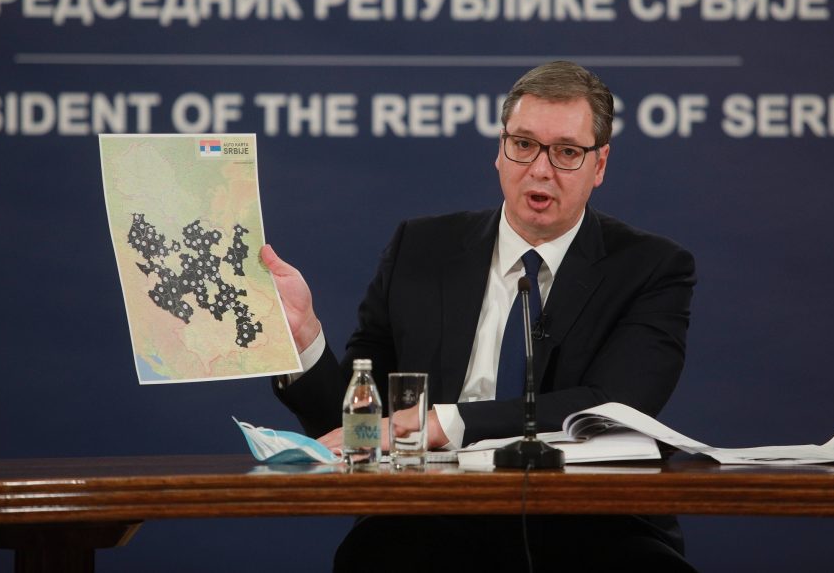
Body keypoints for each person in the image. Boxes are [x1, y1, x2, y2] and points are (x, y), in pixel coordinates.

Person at [261, 61, 697, 572]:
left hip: (591, 522)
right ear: (499, 149)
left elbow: (613, 407)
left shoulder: (650, 267)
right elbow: (355, 428)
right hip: (430, 517)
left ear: (599, 165)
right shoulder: (421, 249)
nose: (540, 169)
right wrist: (304, 339)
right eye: (523, 144)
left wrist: (443, 422)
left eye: (566, 152)